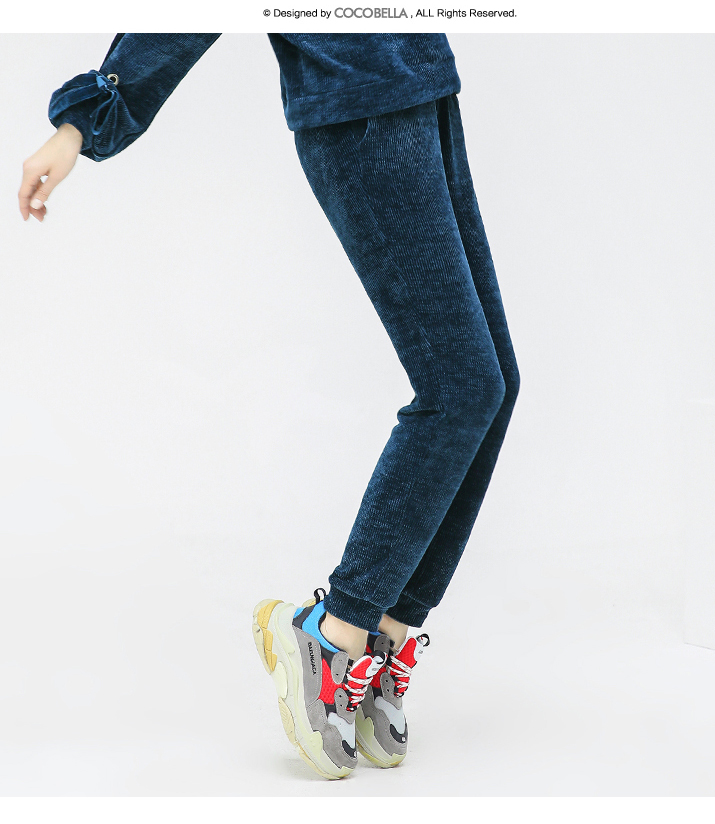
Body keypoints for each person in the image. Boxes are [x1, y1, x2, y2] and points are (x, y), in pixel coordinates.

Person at [18, 33, 520, 781]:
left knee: (492, 384)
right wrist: (83, 122)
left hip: (426, 91)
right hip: (359, 111)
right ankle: (333, 632)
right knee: (460, 387)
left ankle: (383, 634)